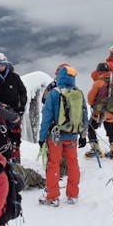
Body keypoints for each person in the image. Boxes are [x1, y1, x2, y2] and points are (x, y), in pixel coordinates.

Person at [37, 64, 88, 206]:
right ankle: (73, 195)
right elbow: (84, 115)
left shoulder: (54, 93)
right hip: (72, 136)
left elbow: (46, 117)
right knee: (73, 164)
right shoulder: (79, 93)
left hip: (56, 137)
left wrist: (41, 139)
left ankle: (52, 197)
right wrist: (83, 135)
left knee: (54, 164)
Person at [0, 53, 27, 162]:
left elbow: (23, 92)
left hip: (14, 112)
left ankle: (15, 157)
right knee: (1, 136)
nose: (0, 67)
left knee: (15, 136)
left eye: (2, 65)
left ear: (6, 65)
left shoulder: (14, 77)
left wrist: (21, 107)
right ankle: (2, 158)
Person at [86, 62, 113, 159]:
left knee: (91, 128)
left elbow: (90, 99)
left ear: (99, 72)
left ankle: (95, 149)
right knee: (111, 131)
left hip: (99, 113)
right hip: (112, 113)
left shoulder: (98, 82)